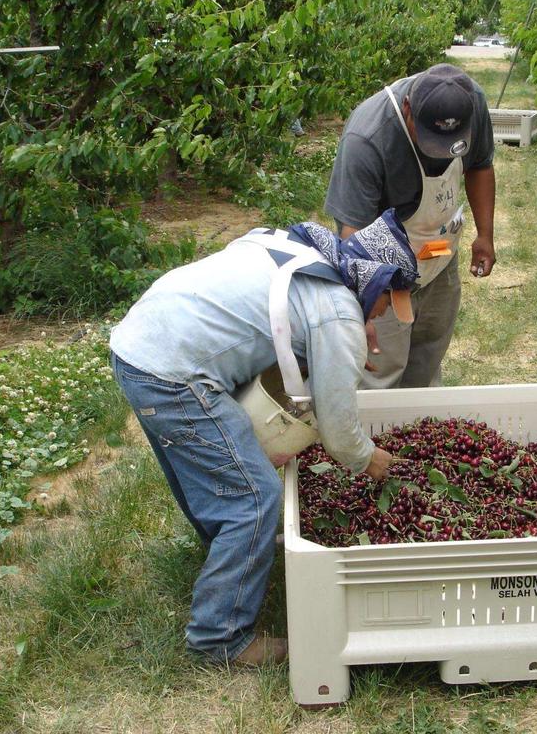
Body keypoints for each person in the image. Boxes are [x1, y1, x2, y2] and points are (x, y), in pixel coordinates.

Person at [108, 210, 419, 667]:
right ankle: (221, 638)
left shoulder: (304, 251)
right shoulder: (336, 315)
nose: (384, 314)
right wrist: (368, 459)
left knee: (213, 472)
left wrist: (341, 332)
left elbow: (284, 320)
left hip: (140, 345)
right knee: (253, 496)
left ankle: (231, 560)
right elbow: (336, 427)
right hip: (174, 374)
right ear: (373, 285)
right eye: (386, 303)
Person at [324, 62, 496, 389]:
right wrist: (370, 297)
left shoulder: (471, 102)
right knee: (381, 370)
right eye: (433, 142)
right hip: (381, 261)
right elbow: (353, 234)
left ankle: (421, 423)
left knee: (428, 354)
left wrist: (485, 235)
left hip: (439, 251)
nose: (443, 154)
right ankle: (375, 432)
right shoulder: (368, 137)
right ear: (408, 111)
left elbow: (480, 166)